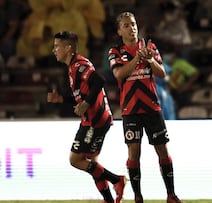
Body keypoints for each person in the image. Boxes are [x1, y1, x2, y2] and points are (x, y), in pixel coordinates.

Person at [108, 12, 182, 203]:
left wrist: (149, 59)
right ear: (119, 30)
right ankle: (138, 196)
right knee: (134, 152)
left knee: (163, 151)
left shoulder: (150, 47)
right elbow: (119, 74)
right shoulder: (115, 52)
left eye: (133, 24)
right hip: (130, 110)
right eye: (126, 25)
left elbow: (162, 74)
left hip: (152, 108)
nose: (131, 28)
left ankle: (171, 194)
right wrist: (136, 59)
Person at [47, 31, 126, 203]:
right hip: (96, 119)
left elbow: (99, 81)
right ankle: (109, 199)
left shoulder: (79, 65)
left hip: (95, 120)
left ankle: (116, 180)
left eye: (57, 46)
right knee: (92, 165)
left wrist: (86, 104)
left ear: (68, 48)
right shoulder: (72, 67)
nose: (54, 50)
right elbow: (81, 95)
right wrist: (61, 99)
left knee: (76, 159)